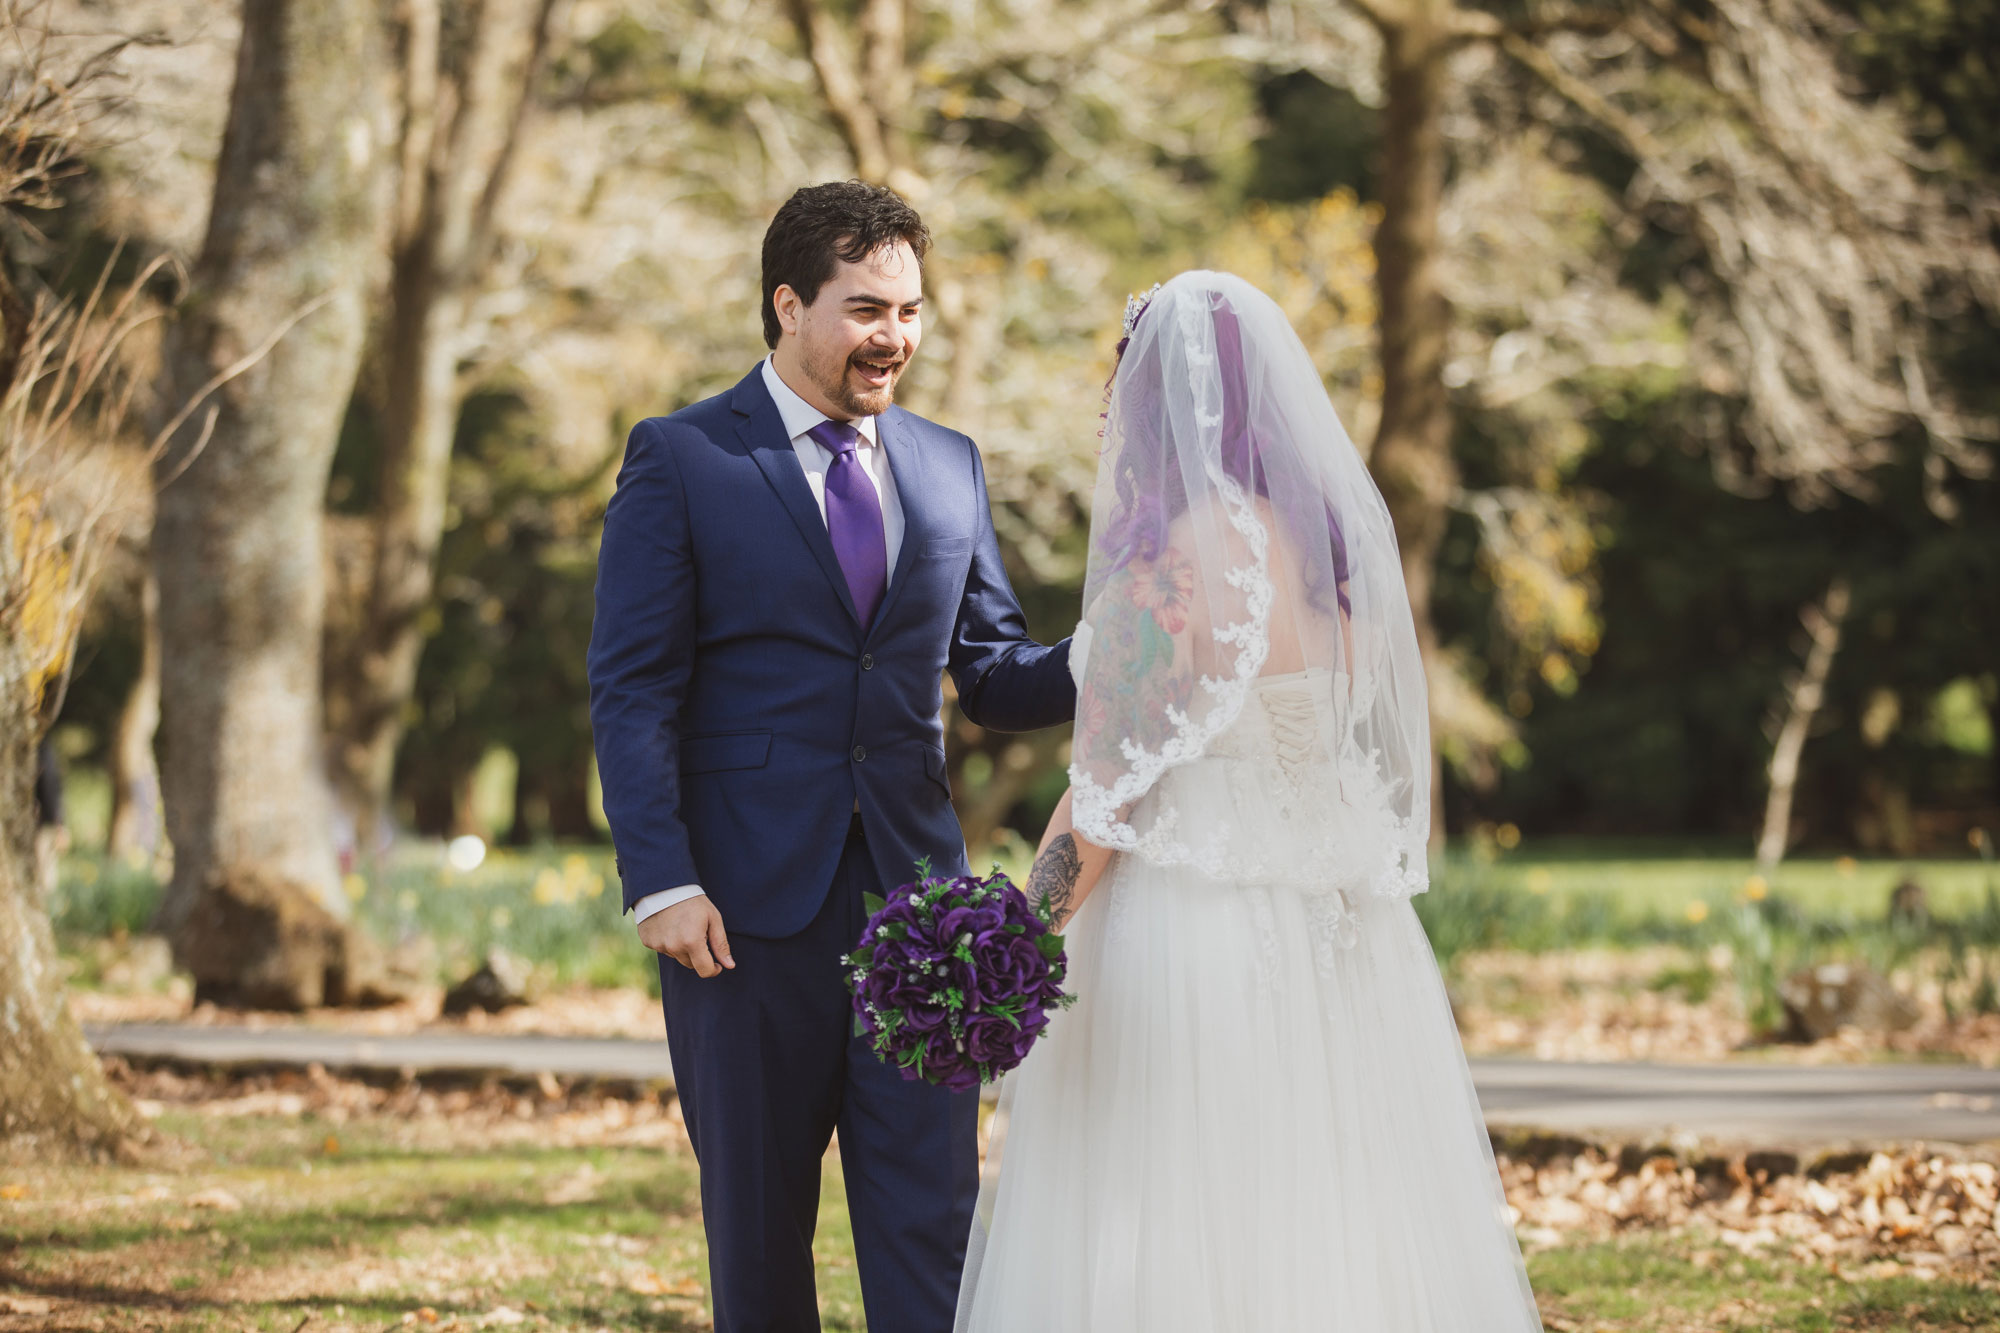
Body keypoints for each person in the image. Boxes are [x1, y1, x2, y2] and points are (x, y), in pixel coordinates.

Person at [954, 272, 1543, 1332]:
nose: (1105, 404)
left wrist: (1004, 948)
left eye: (1119, 376)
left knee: (1176, 1215)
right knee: (1326, 1216)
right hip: (1341, 937)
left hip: (1195, 936)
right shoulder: (1333, 557)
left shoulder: (1176, 565)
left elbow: (1102, 797)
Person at [587, 180, 1075, 1333]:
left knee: (931, 1221)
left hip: (921, 915)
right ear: (787, 304)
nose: (892, 338)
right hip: (740, 920)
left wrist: (1117, 646)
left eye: (909, 311)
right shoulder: (683, 457)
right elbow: (632, 687)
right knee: (757, 1235)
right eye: (865, 310)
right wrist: (660, 876)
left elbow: (994, 673)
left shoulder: (948, 463)